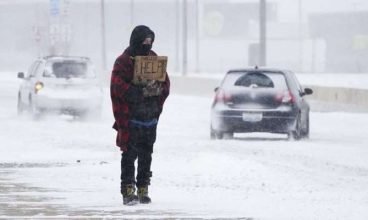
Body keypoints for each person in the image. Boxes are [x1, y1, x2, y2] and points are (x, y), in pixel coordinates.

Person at [110, 25, 170, 205]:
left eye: (150, 42)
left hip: (149, 117)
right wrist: (135, 91)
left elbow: (165, 83)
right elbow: (116, 85)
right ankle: (128, 189)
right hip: (130, 117)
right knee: (129, 154)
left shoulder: (153, 59)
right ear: (136, 40)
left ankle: (143, 188)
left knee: (147, 154)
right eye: (144, 42)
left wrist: (157, 89)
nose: (147, 45)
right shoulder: (123, 61)